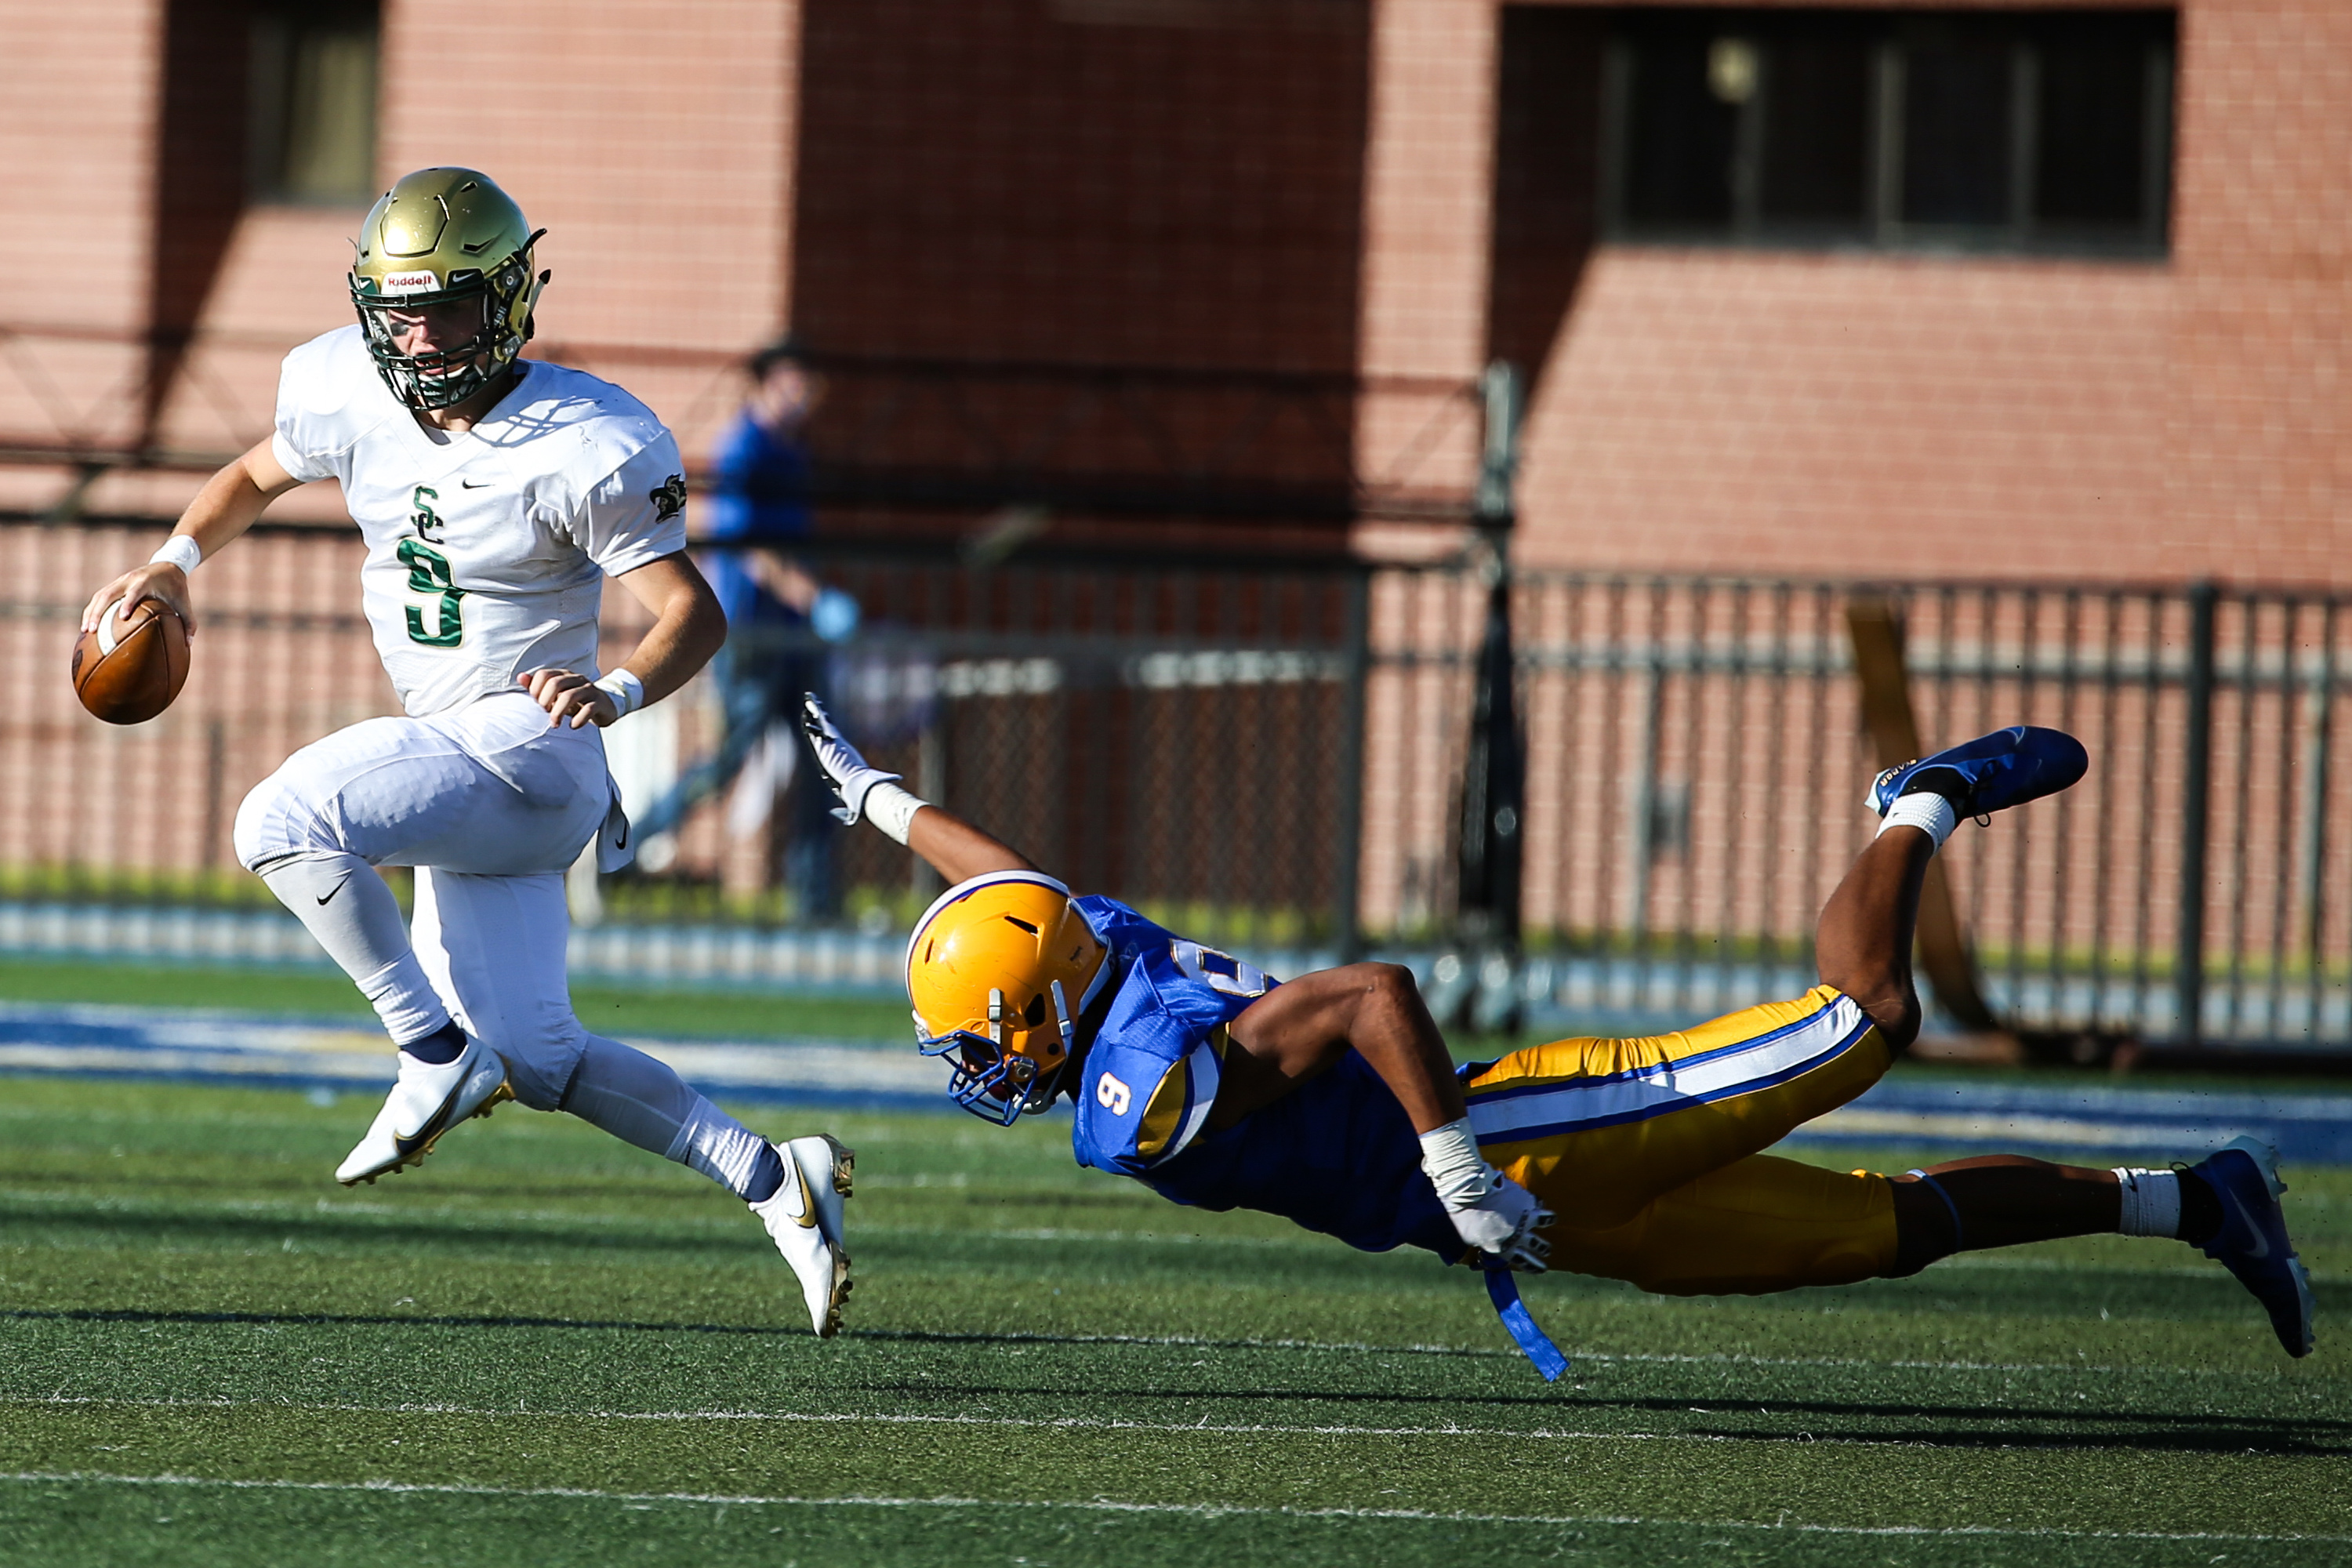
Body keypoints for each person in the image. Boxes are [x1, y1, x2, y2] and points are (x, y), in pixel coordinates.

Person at [798, 700, 2315, 1371]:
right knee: (1888, 1234)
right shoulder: (1090, 945)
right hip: (1539, 1217)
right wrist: (876, 802)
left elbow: (1378, 993)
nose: (982, 1067)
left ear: (1054, 1009)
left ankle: (1922, 797)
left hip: (1527, 1145)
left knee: (1869, 1021)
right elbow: (1003, 882)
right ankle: (2200, 1199)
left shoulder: (1137, 1088)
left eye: (989, 1039)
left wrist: (1452, 1160)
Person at [78, 169, 855, 1338]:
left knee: (279, 821)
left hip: (536, 748)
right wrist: (173, 568)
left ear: (509, 298)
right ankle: (773, 1177)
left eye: (446, 305)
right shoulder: (344, 381)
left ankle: (428, 1054)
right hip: (463, 775)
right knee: (541, 1058)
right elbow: (250, 474)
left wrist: (617, 687)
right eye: (398, 306)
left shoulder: (586, 438)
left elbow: (692, 611)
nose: (419, 332)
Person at [629, 339, 858, 916]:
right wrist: (817, 597)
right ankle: (623, 855)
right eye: (790, 383)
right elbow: (750, 548)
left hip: (797, 640)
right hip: (750, 637)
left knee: (824, 764)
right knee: (729, 759)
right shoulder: (745, 450)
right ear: (761, 385)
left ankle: (817, 904)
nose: (801, 396)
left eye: (808, 385)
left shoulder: (792, 453)